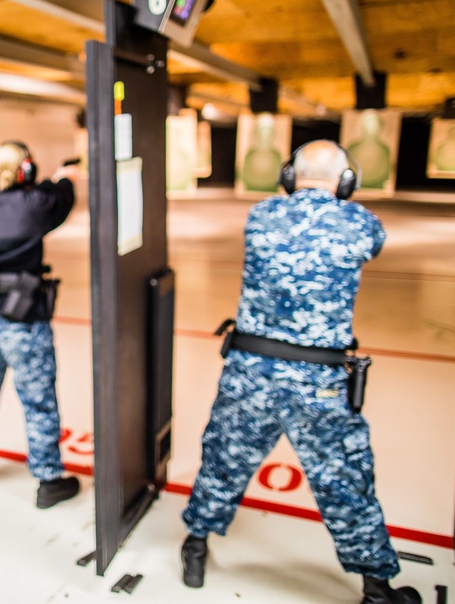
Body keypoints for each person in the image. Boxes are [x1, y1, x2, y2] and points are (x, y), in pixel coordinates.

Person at [179, 139, 420, 604]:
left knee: (223, 460)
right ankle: (376, 587)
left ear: (289, 175)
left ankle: (195, 547)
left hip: (249, 371)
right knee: (344, 479)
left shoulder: (261, 215)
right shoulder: (360, 223)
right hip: (319, 383)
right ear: (346, 180)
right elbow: (372, 245)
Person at [0, 140, 81, 509]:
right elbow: (62, 198)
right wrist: (64, 177)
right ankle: (47, 479)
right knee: (38, 400)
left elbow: (27, 196)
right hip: (20, 318)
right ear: (27, 170)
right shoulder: (37, 204)